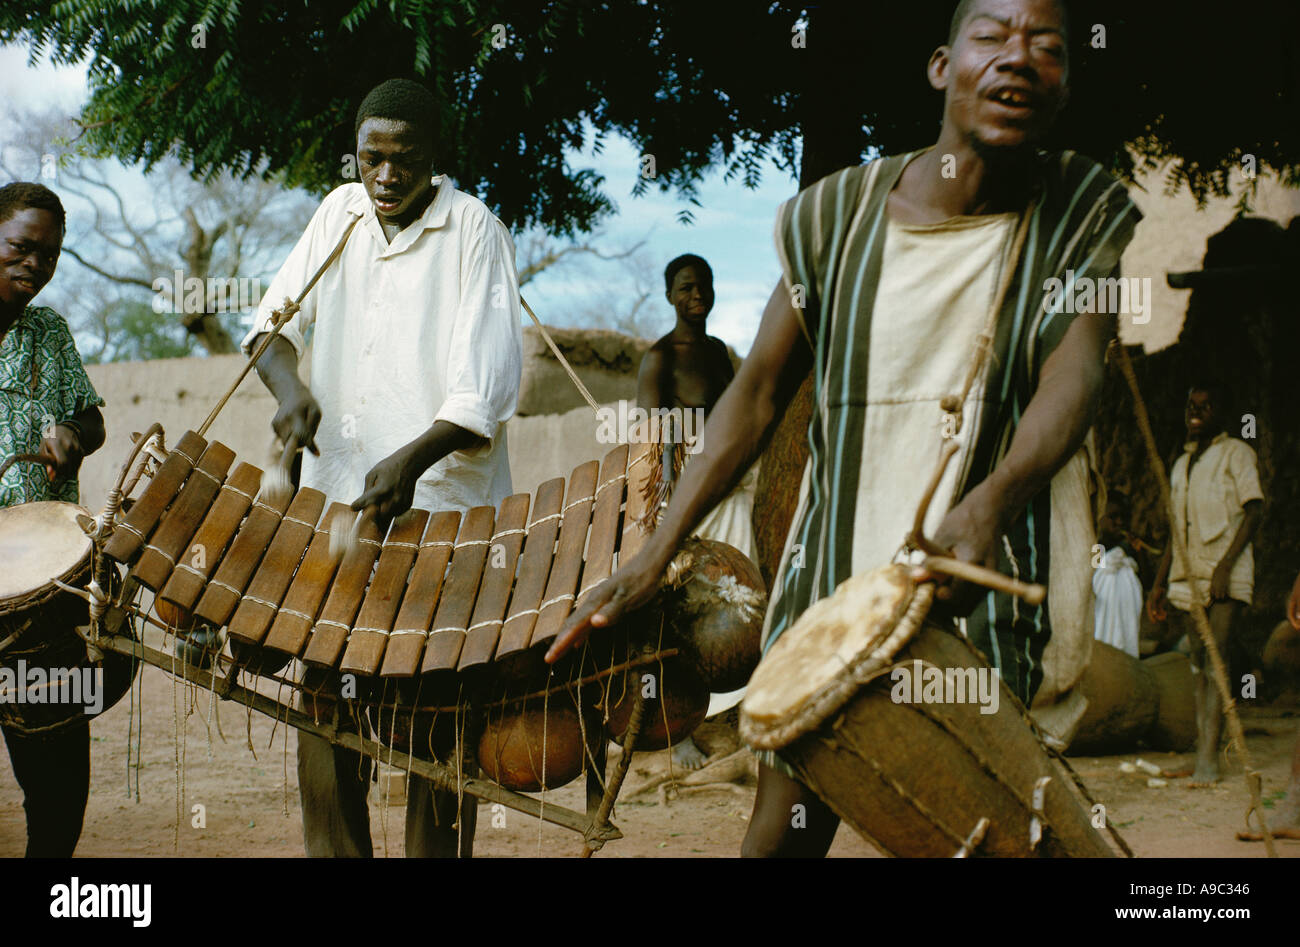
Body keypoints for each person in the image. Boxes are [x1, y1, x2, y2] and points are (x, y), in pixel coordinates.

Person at [549, 0, 1142, 856]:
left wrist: (992, 503)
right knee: (781, 832)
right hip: (828, 580)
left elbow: (1075, 370)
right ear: (942, 67)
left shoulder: (1079, 210)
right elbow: (752, 395)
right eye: (993, 36)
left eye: (1045, 46)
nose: (1017, 58)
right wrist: (652, 557)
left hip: (972, 586)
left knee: (981, 832)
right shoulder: (833, 219)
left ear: (1063, 83)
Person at [244, 79, 522, 857]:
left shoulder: (475, 230)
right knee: (326, 709)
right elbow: (270, 326)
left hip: (437, 514)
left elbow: (486, 391)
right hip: (336, 511)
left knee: (430, 724)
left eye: (405, 160)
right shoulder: (338, 213)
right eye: (373, 157)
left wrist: (411, 458)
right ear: (355, 156)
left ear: (435, 158)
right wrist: (292, 392)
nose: (387, 176)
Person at [0, 181, 107, 856]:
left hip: (42, 590)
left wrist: (73, 431)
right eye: (21, 246)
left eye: (51, 255)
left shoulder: (50, 331)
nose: (35, 265)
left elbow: (93, 416)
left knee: (58, 781)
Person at [638, 253, 759, 768]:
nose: (697, 295)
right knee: (682, 604)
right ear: (669, 295)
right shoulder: (659, 358)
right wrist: (668, 499)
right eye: (686, 287)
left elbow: (736, 415)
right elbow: (648, 437)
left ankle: (739, 714)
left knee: (738, 594)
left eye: (704, 285)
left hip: (729, 488)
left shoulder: (717, 352)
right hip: (682, 494)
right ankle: (677, 728)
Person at [1147, 383, 1262, 786]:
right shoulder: (1181, 463)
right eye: (1192, 406)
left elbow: (1254, 511)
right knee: (1198, 665)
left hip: (1224, 574)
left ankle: (1210, 762)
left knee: (1217, 662)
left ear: (1221, 413)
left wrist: (1225, 567)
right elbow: (1176, 532)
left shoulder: (1237, 454)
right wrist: (1158, 584)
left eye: (1206, 407)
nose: (1196, 413)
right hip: (1187, 575)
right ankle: (1203, 753)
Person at [1092, 490, 1143, 657]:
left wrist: (1134, 551)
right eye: (1113, 517)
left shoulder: (1128, 551)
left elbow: (1145, 579)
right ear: (1100, 518)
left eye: (1122, 517)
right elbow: (1095, 574)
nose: (1120, 522)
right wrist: (1122, 550)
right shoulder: (1095, 546)